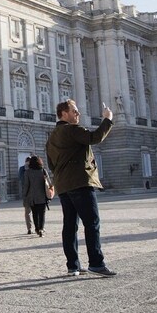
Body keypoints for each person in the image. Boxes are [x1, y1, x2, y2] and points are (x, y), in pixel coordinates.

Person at [46, 99, 116, 277]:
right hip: (80, 182)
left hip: (64, 186)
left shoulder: (52, 136)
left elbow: (51, 164)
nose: (77, 114)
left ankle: (73, 266)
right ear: (63, 114)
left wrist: (61, 178)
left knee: (69, 226)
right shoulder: (72, 130)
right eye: (74, 111)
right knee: (92, 223)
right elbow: (94, 138)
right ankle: (96, 263)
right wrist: (107, 119)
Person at [22, 155, 50, 237]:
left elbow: (26, 185)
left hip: (32, 197)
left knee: (35, 213)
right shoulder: (43, 171)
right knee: (42, 214)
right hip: (42, 196)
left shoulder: (27, 172)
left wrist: (25, 195)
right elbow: (49, 182)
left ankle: (37, 229)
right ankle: (41, 228)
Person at [18, 156, 33, 234]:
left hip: (34, 192)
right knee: (27, 212)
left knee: (34, 212)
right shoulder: (22, 169)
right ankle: (29, 228)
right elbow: (21, 179)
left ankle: (37, 227)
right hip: (27, 193)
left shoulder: (34, 169)